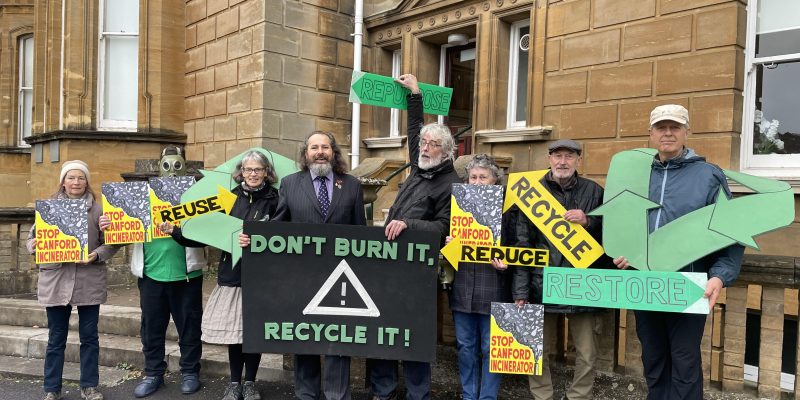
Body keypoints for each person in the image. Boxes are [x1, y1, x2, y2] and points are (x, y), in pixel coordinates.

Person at [613, 104, 744, 399]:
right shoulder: (636, 175)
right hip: (645, 284)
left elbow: (731, 232)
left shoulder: (709, 175)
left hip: (690, 284)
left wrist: (720, 276)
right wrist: (623, 251)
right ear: (651, 133)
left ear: (687, 132)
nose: (668, 133)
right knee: (653, 360)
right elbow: (621, 222)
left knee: (684, 363)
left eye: (675, 127)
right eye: (661, 127)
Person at [247, 130, 365, 400]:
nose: (320, 151)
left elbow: (361, 231)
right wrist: (254, 237)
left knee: (339, 337)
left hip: (341, 277)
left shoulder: (351, 185)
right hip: (301, 275)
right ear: (306, 153)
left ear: (333, 152)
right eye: (314, 147)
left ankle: (337, 393)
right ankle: (306, 393)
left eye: (325, 147)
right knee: (306, 336)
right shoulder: (290, 184)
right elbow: (278, 227)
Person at [369, 73, 461, 400]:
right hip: (389, 263)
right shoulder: (420, 165)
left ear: (447, 151)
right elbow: (413, 131)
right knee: (382, 328)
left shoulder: (451, 184)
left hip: (418, 269)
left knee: (412, 333)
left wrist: (409, 224)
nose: (424, 147)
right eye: (424, 143)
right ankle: (383, 389)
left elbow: (446, 228)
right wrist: (415, 94)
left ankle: (418, 394)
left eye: (433, 144)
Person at [164, 150, 280, 400]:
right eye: (248, 169)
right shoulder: (228, 197)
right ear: (241, 173)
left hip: (262, 276)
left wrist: (258, 237)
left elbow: (285, 235)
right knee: (235, 334)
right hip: (233, 274)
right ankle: (234, 382)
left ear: (266, 173)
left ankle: (250, 383)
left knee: (253, 333)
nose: (252, 174)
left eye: (258, 170)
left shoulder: (276, 199)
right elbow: (206, 232)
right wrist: (174, 231)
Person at [511, 139, 607, 400]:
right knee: (536, 349)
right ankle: (542, 396)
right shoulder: (532, 192)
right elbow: (523, 244)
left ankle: (579, 396)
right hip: (540, 283)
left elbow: (611, 235)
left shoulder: (595, 191)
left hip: (583, 285)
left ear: (579, 161)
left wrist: (588, 220)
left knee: (587, 353)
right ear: (549, 159)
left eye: (569, 156)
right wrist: (521, 290)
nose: (562, 161)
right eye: (557, 156)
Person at [27, 160, 121, 400]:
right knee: (56, 338)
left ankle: (89, 386)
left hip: (88, 279)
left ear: (87, 182)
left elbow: (113, 242)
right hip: (56, 279)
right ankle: (51, 389)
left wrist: (97, 253)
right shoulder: (48, 208)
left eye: (81, 178)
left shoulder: (99, 210)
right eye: (71, 177)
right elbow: (32, 239)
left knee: (89, 337)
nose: (76, 182)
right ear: (63, 181)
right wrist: (35, 245)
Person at [128, 146, 207, 398]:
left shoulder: (196, 197)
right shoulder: (140, 196)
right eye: (166, 165)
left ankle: (190, 371)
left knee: (190, 327)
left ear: (184, 166)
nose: (172, 171)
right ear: (158, 166)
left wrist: (176, 230)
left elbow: (204, 237)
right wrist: (109, 225)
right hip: (151, 275)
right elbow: (121, 230)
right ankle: (153, 374)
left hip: (187, 276)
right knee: (151, 329)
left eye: (177, 165)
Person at [446, 154, 512, 400]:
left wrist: (507, 263)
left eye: (483, 177)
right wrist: (450, 244)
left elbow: (520, 248)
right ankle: (468, 395)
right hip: (463, 288)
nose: (476, 182)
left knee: (491, 349)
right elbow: (447, 257)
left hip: (493, 287)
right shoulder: (457, 207)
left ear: (496, 181)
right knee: (465, 347)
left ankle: (487, 397)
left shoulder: (509, 210)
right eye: (472, 177)